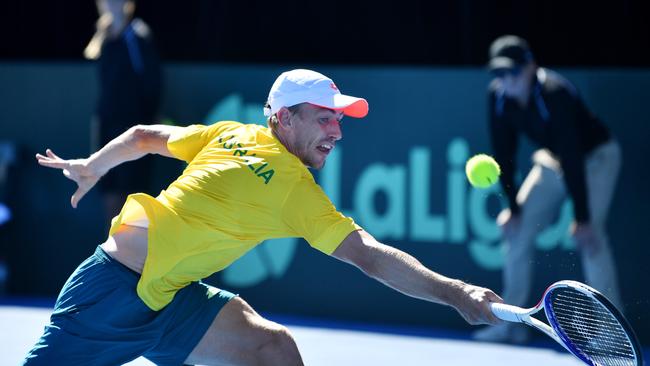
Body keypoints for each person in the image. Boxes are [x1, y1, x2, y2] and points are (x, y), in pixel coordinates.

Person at [26, 69, 502, 365]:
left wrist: (93, 166)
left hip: (167, 298)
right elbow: (370, 257)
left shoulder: (234, 133)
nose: (336, 131)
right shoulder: (294, 190)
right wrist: (456, 293)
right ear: (285, 119)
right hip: (110, 292)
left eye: (338, 119)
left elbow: (143, 135)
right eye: (324, 117)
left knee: (272, 351)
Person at [473, 35, 623, 344]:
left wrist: (582, 218)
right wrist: (513, 210)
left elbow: (572, 155)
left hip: (595, 158)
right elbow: (504, 154)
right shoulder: (498, 96)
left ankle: (610, 335)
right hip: (553, 161)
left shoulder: (556, 93)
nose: (506, 81)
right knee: (514, 230)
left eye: (513, 72)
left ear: (530, 67)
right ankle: (509, 322)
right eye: (499, 74)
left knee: (591, 239)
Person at [85, 0, 162, 222]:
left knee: (133, 195)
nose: (111, 3)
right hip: (105, 125)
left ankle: (132, 253)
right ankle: (112, 252)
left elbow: (152, 83)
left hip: (134, 126)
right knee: (108, 191)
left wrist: (149, 118)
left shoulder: (139, 36)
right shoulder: (103, 37)